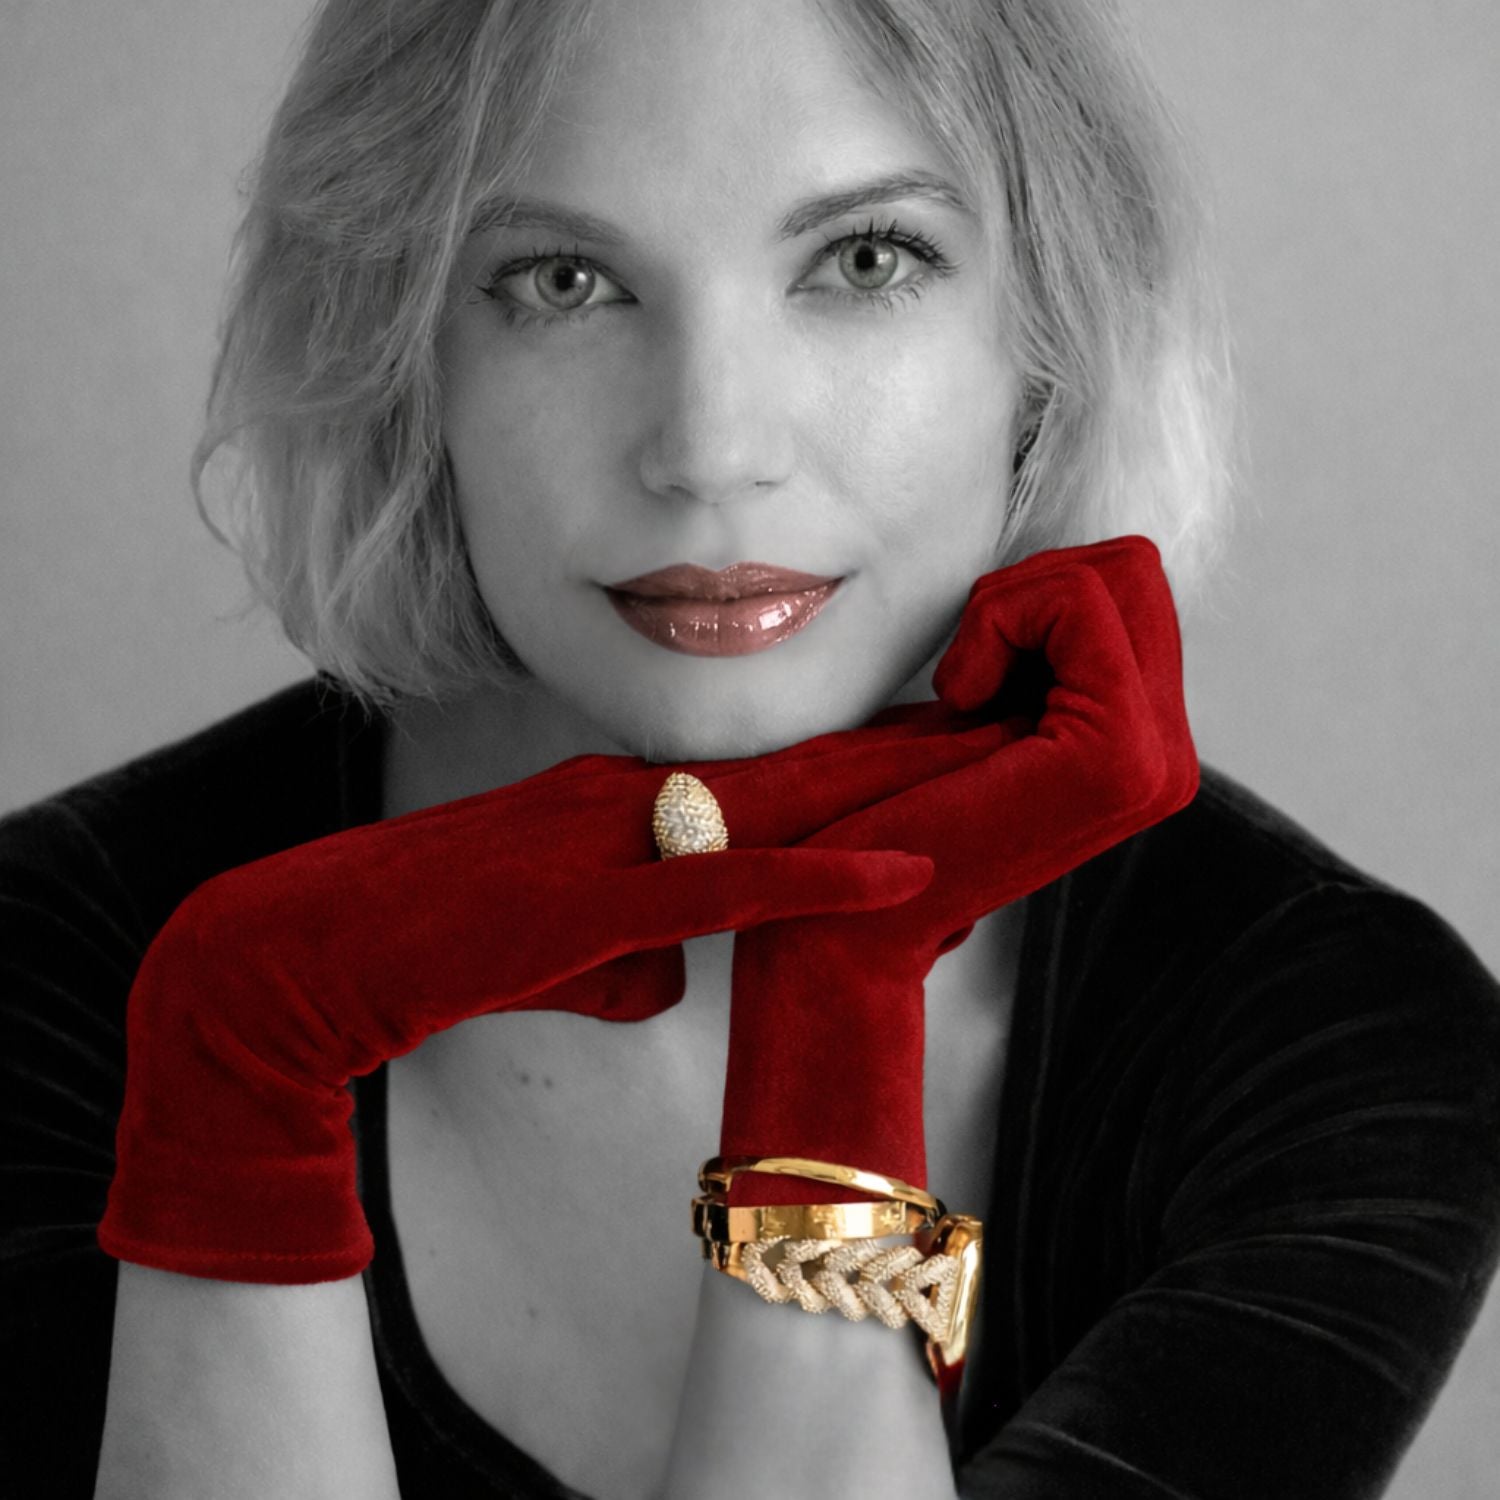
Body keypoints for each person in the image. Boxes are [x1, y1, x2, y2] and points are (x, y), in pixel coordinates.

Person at [2, 1, 1497, 1497]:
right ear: (401, 349)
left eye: (866, 261)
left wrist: (836, 962)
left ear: (1055, 338)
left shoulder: (1334, 1039)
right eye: (563, 280)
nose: (712, 449)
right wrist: (237, 1081)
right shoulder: (46, 959)